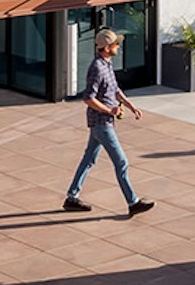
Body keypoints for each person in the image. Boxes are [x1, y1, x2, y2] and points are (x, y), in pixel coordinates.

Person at [63, 31, 154, 216]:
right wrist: (110, 110)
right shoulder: (97, 68)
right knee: (121, 162)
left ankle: (71, 197)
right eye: (115, 44)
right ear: (106, 48)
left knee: (89, 159)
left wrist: (130, 106)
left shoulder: (107, 64)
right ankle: (133, 202)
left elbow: (115, 89)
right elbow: (88, 98)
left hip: (103, 122)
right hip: (101, 123)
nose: (118, 47)